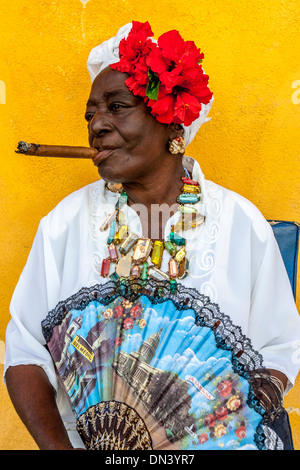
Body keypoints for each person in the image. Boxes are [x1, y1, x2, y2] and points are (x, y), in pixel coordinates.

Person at [4, 21, 300, 451]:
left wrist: (225, 422)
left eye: (116, 106)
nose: (97, 125)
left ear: (172, 123)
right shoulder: (64, 224)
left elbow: (277, 349)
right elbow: (26, 351)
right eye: (90, 114)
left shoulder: (241, 223)